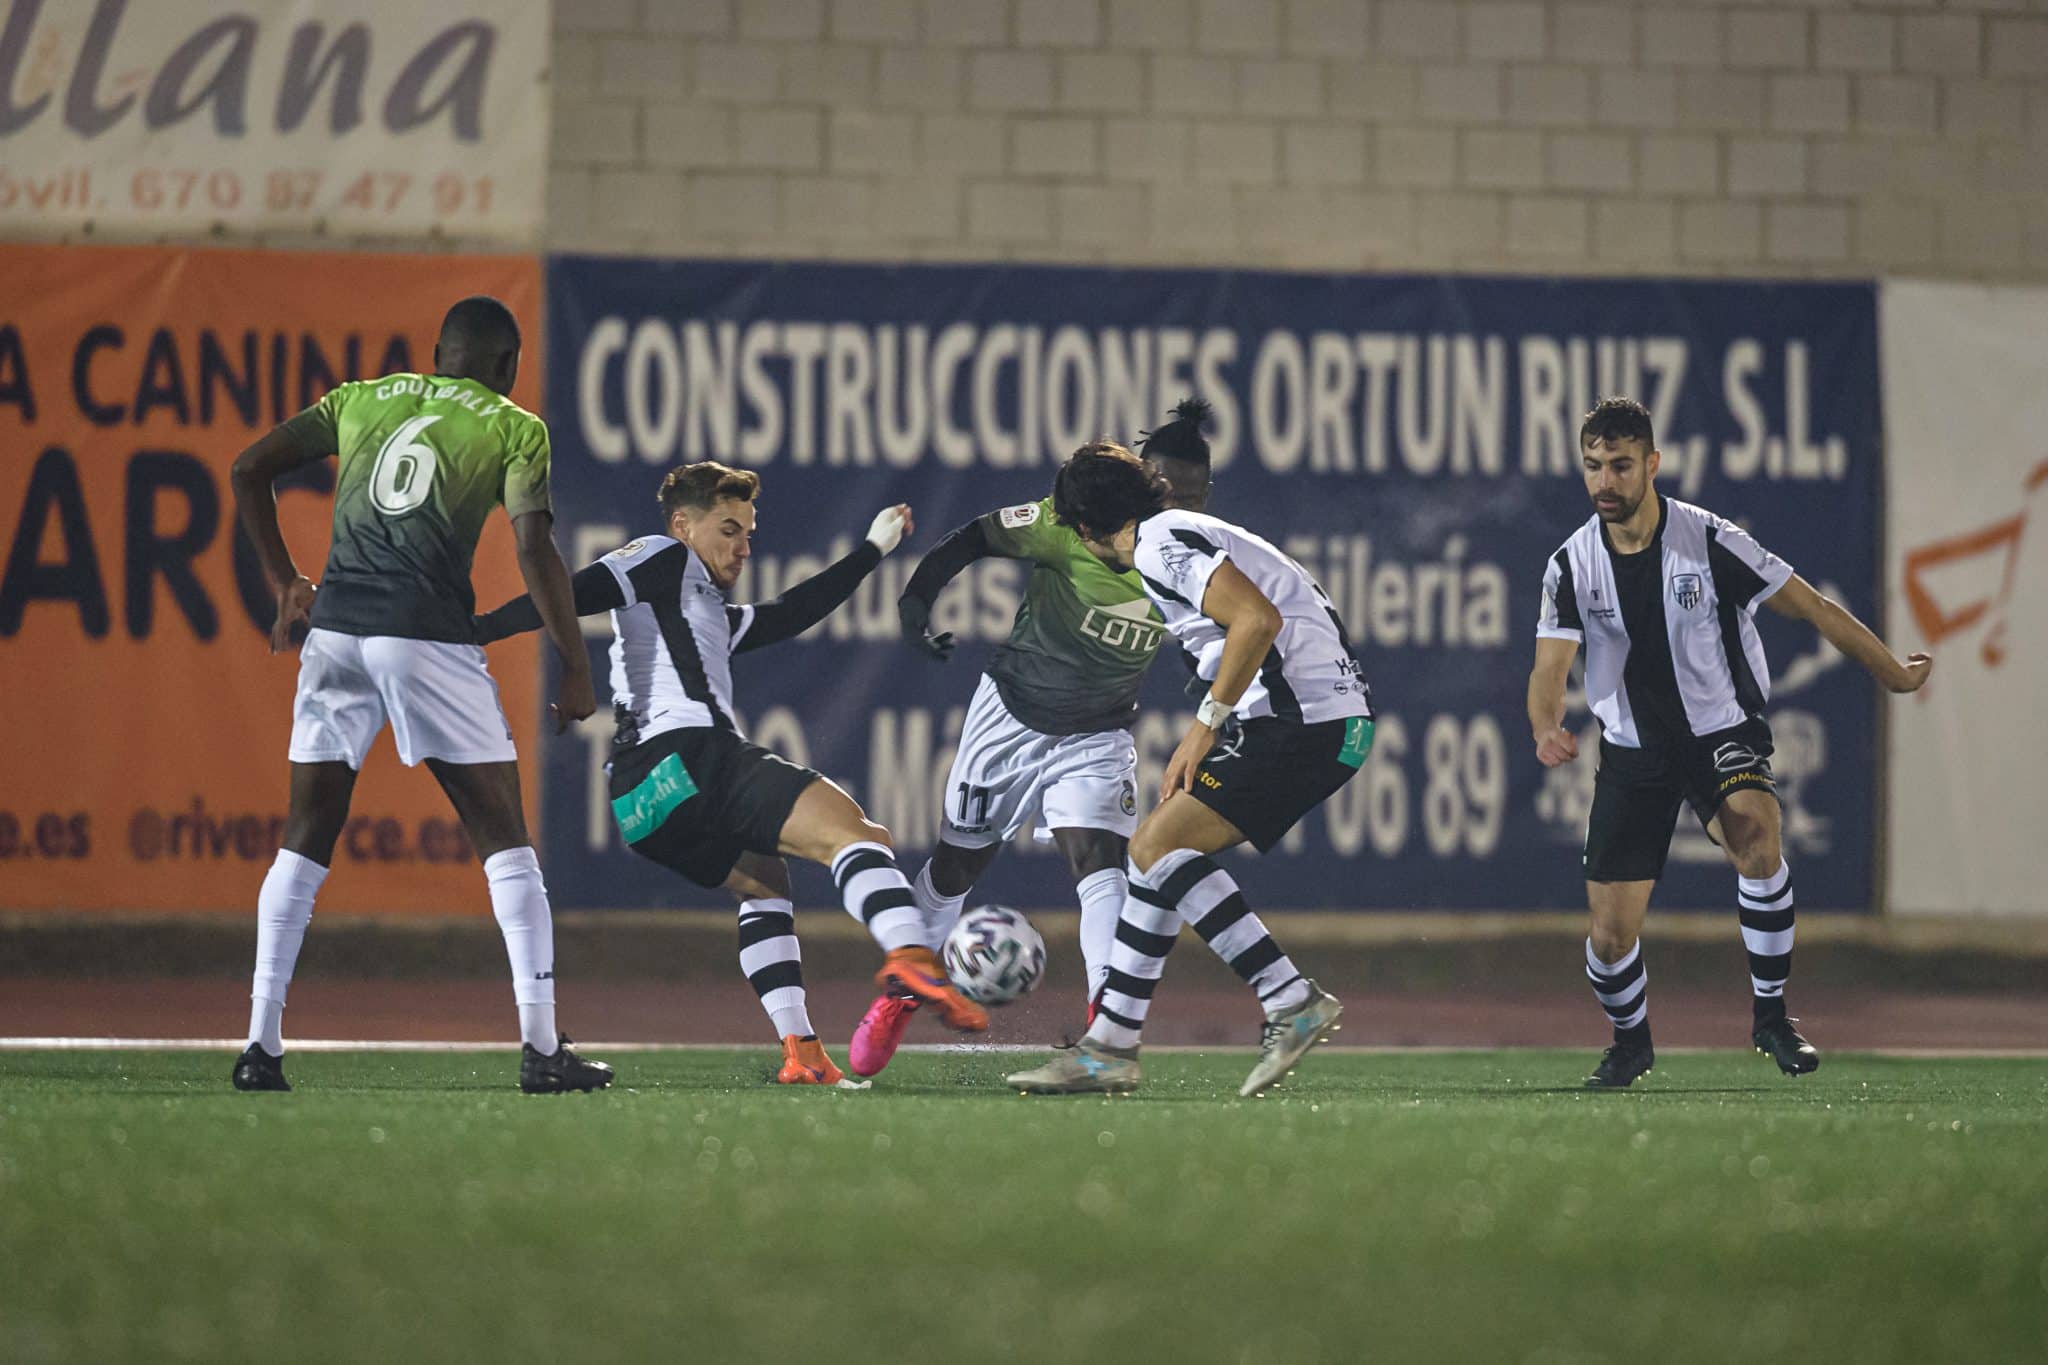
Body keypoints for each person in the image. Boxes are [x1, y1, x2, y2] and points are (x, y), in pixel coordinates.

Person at [476, 461, 989, 1083]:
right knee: (858, 837)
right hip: (688, 754)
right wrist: (473, 631)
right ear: (681, 524)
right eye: (727, 530)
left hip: (642, 802)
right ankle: (910, 954)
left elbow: (790, 611)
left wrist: (870, 552)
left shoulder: (704, 611)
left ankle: (800, 1050)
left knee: (765, 884)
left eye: (748, 533)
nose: (742, 548)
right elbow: (569, 593)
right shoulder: (662, 557)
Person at [227, 296, 612, 1094]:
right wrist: (574, 661)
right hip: (423, 632)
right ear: (507, 365)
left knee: (304, 835)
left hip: (333, 628)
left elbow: (247, 468)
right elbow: (533, 547)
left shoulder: (360, 396)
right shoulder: (514, 425)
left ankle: (259, 1046)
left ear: (438, 352)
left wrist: (285, 581)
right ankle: (542, 1048)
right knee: (503, 835)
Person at [1528, 398, 1933, 1089]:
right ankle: (1631, 1043)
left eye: (1621, 466)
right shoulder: (1570, 564)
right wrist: (1546, 726)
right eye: (1593, 465)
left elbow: (1811, 605)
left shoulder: (1709, 541)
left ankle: (1771, 1015)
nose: (1605, 482)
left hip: (1720, 730)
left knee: (1758, 837)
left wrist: (1890, 669)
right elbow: (1549, 669)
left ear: (1652, 464)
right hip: (1631, 751)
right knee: (1608, 937)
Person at [854, 403, 1211, 1078]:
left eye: (1192, 495)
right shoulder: (1067, 525)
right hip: (1011, 718)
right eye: (1165, 489)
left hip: (1098, 731)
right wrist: (912, 607)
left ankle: (1107, 1032)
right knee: (957, 865)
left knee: (1103, 865)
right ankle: (904, 993)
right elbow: (968, 540)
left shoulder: (1202, 550)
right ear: (1142, 480)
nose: (1176, 506)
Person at [1005, 445, 1373, 1097]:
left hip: (1302, 720)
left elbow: (1258, 620)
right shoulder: (1178, 531)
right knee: (1155, 853)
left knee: (1154, 846)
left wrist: (1203, 727)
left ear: (1086, 529)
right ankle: (1112, 1046)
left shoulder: (1155, 542)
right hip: (1323, 720)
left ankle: (1287, 996)